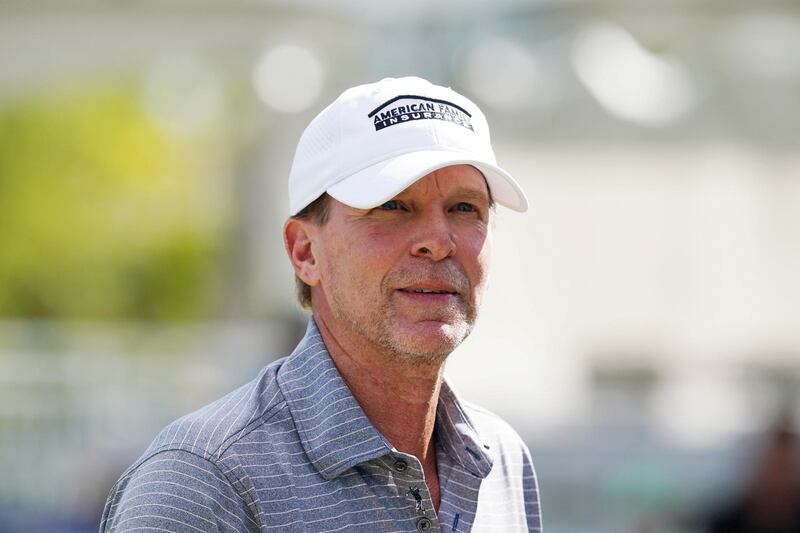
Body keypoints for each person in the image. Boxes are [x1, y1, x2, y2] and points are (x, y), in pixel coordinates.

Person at [100, 76, 542, 532]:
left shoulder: (500, 460)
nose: (437, 241)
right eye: (392, 206)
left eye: (465, 208)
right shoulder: (203, 482)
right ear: (305, 251)